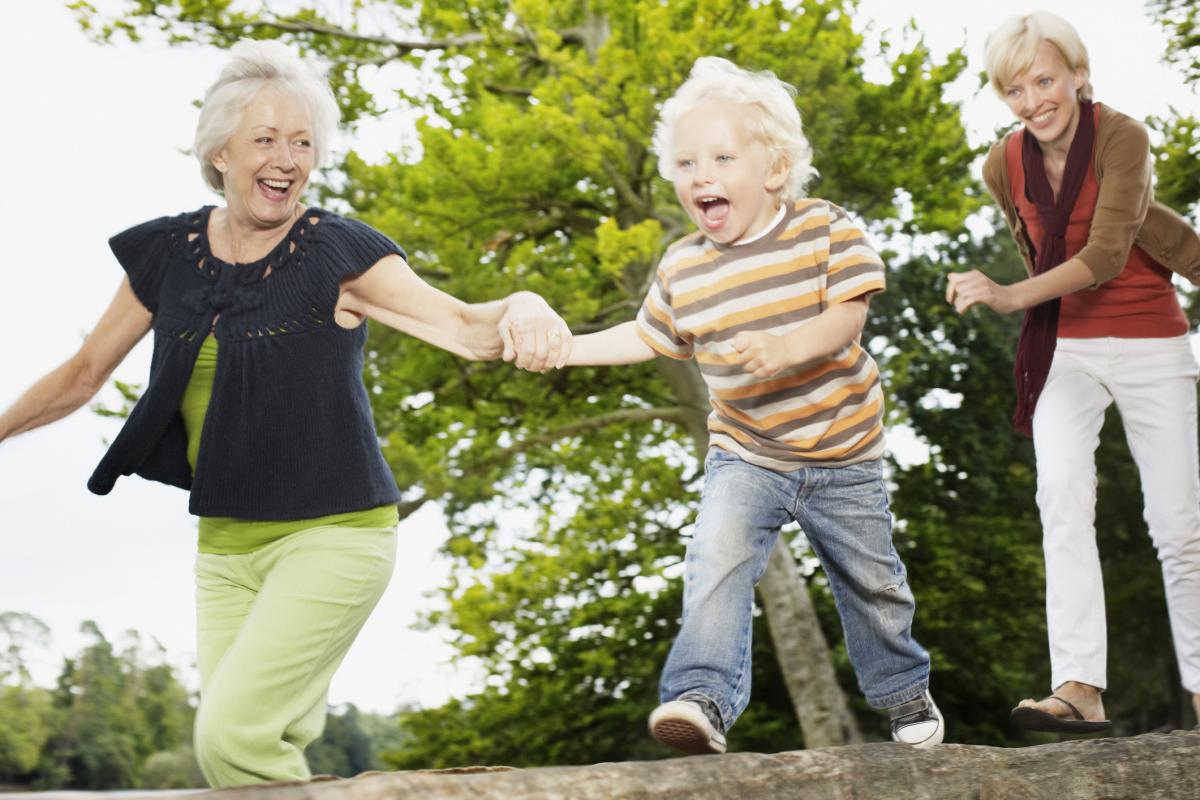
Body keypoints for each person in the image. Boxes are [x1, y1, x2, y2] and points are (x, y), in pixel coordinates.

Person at [0, 40, 570, 787]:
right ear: (220, 152)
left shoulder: (337, 251)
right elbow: (81, 375)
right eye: (266, 139)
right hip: (225, 549)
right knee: (248, 772)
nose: (286, 158)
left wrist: (525, 304)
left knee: (232, 735)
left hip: (335, 535)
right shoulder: (169, 254)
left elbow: (464, 326)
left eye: (302, 143)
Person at [562, 56, 943, 753]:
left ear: (773, 169)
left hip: (843, 452)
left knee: (874, 584)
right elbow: (645, 336)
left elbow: (848, 317)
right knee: (716, 554)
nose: (699, 174)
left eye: (720, 157)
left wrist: (790, 346)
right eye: (684, 163)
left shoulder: (826, 229)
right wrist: (566, 345)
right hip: (748, 454)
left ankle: (902, 693)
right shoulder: (683, 266)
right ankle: (702, 695)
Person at [947, 11, 1200, 733]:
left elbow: (1107, 255)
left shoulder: (1123, 137)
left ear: (1079, 76)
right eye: (1015, 89)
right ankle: (1081, 686)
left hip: (1152, 340)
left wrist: (1003, 296)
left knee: (1178, 524)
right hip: (1068, 346)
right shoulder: (1004, 163)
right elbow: (1039, 250)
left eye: (1045, 80)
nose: (1033, 101)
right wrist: (1029, 306)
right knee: (1060, 499)